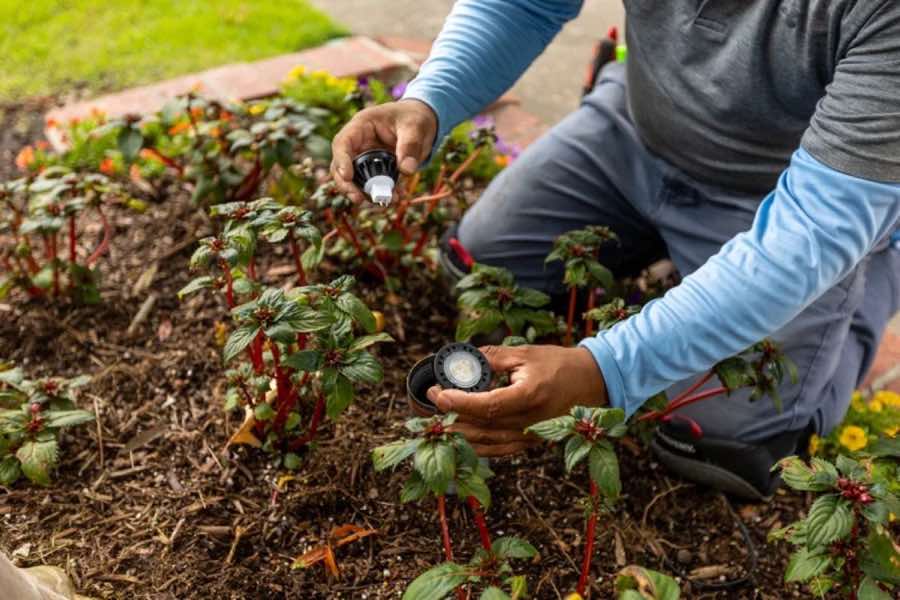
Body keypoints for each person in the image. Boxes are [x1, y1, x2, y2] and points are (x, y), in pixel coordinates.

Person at [330, 1, 900, 499]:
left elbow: (807, 235)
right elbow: (524, 3)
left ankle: (875, 254)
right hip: (636, 131)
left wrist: (607, 370)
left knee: (720, 445)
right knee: (478, 266)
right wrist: (431, 101)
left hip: (792, 196)